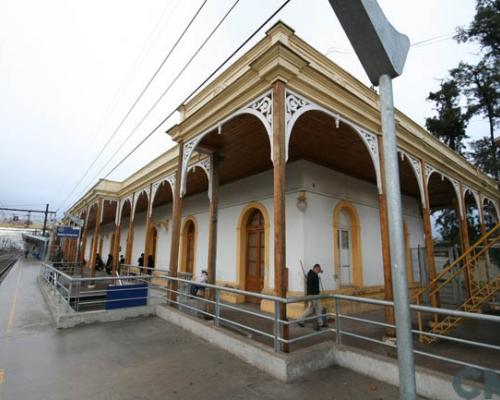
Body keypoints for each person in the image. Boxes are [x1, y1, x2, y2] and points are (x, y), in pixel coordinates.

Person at [298, 264, 328, 330]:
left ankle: (321, 323)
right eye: (318, 270)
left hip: (317, 295)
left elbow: (321, 271)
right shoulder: (311, 275)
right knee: (310, 310)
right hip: (312, 295)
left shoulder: (315, 274)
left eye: (319, 270)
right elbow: (309, 286)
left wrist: (319, 275)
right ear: (315, 269)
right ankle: (300, 320)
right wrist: (310, 296)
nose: (319, 271)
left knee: (319, 309)